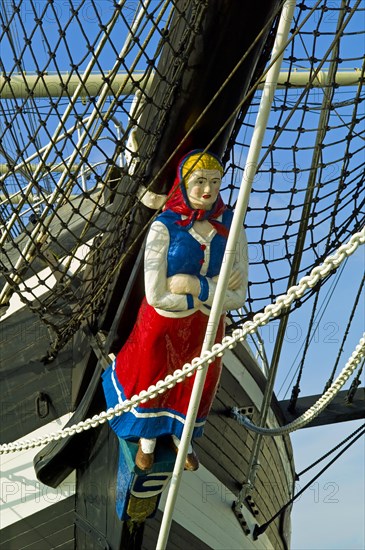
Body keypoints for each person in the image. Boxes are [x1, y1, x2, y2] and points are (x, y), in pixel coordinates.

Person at [102, 149, 248, 471]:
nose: (208, 190)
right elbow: (155, 295)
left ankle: (183, 437)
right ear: (183, 183)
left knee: (198, 383)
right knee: (155, 380)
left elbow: (239, 295)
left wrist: (195, 286)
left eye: (215, 182)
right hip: (163, 326)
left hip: (207, 331)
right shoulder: (163, 228)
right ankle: (148, 441)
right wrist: (214, 291)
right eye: (199, 182)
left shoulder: (232, 228)